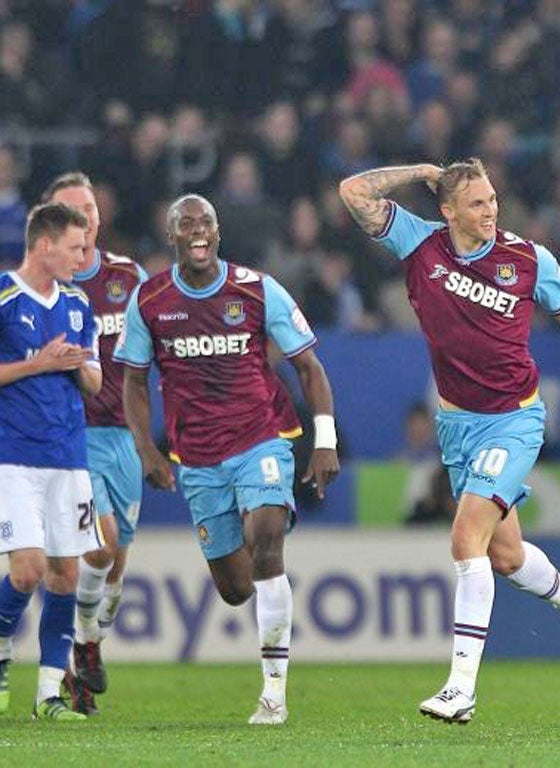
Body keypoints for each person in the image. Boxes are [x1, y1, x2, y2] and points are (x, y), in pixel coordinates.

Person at [338, 159, 560, 724]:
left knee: (466, 536)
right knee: (505, 554)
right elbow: (353, 192)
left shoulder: (528, 258)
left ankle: (460, 688)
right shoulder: (420, 243)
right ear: (447, 211)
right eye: (476, 203)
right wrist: (417, 170)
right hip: (457, 425)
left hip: (513, 420)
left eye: (493, 200)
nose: (490, 211)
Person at [114, 194, 340, 725]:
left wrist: (323, 439)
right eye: (186, 224)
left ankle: (274, 694)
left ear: (218, 233)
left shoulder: (258, 290)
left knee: (267, 537)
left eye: (206, 223)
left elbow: (309, 367)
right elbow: (133, 381)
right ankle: (266, 599)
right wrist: (147, 448)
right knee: (237, 589)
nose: (198, 231)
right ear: (172, 237)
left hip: (261, 438)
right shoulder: (150, 300)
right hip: (196, 456)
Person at [42, 171, 147, 714]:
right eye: (68, 211)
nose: (80, 220)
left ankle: (86, 652)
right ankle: (81, 646)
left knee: (116, 561)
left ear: (97, 218)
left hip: (124, 437)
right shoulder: (42, 289)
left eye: (86, 209)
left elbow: (160, 343)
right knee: (99, 545)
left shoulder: (129, 278)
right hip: (70, 436)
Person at [0, 203, 102, 721]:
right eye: (75, 247)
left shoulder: (80, 304)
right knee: (28, 570)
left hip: (70, 456)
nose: (83, 257)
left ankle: (48, 696)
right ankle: (1, 648)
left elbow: (96, 382)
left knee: (65, 575)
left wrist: (76, 365)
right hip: (14, 457)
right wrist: (37, 364)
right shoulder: (4, 296)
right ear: (44, 245)